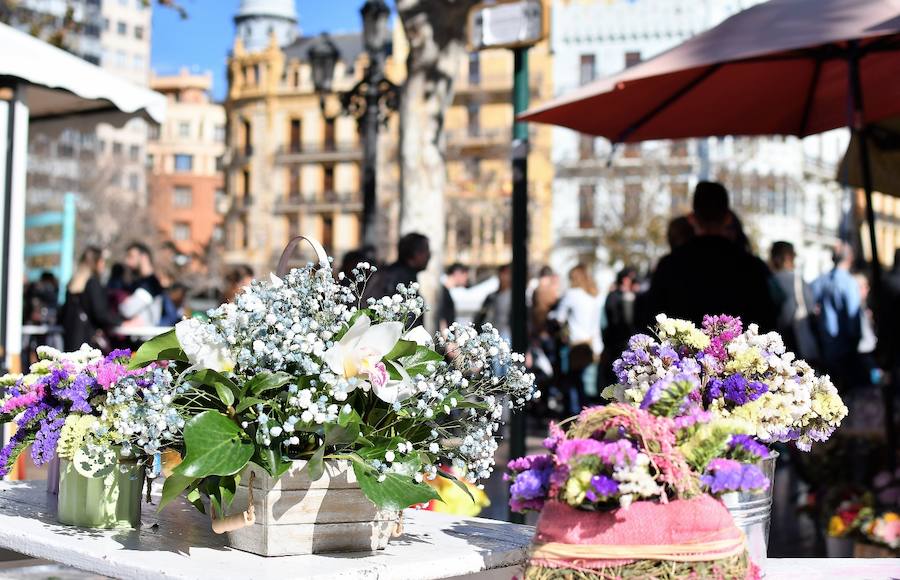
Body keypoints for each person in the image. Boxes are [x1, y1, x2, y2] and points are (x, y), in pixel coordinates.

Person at [647, 182, 777, 329]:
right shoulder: (751, 267)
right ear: (728, 218)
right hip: (738, 350)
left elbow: (654, 317)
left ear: (692, 218)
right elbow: (766, 319)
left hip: (683, 351)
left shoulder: (670, 265)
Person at [552, 264, 604, 412]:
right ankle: (587, 416)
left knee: (573, 384)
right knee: (586, 386)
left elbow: (559, 317)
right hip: (593, 344)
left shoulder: (572, 294)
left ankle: (575, 419)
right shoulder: (593, 295)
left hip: (575, 345)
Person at [811, 243, 862, 391]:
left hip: (825, 344)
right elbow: (854, 317)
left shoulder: (822, 280)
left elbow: (809, 303)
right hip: (845, 346)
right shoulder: (849, 283)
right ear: (850, 258)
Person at [61, 246, 121, 351]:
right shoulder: (92, 283)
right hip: (87, 341)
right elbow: (100, 313)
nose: (103, 264)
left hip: (71, 339)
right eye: (102, 261)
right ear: (96, 262)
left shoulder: (73, 283)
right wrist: (120, 321)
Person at [769, 241, 819, 363]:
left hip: (774, 347)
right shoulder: (797, 281)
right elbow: (811, 308)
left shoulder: (767, 281)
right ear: (788, 257)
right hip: (799, 343)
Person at [364, 233, 431, 305]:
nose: (429, 255)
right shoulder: (395, 277)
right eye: (426, 250)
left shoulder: (405, 275)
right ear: (415, 253)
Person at [603, 267, 638, 384]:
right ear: (625, 280)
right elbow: (614, 320)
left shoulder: (630, 296)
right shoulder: (614, 297)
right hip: (617, 343)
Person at [475, 264, 512, 341]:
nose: (503, 277)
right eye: (502, 273)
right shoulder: (491, 296)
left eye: (506, 274)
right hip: (488, 335)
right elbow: (481, 316)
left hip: (505, 336)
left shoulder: (513, 297)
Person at [438, 263, 469, 331]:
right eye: (465, 276)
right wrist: (446, 338)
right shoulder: (442, 292)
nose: (466, 279)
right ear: (457, 273)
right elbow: (441, 317)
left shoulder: (445, 291)